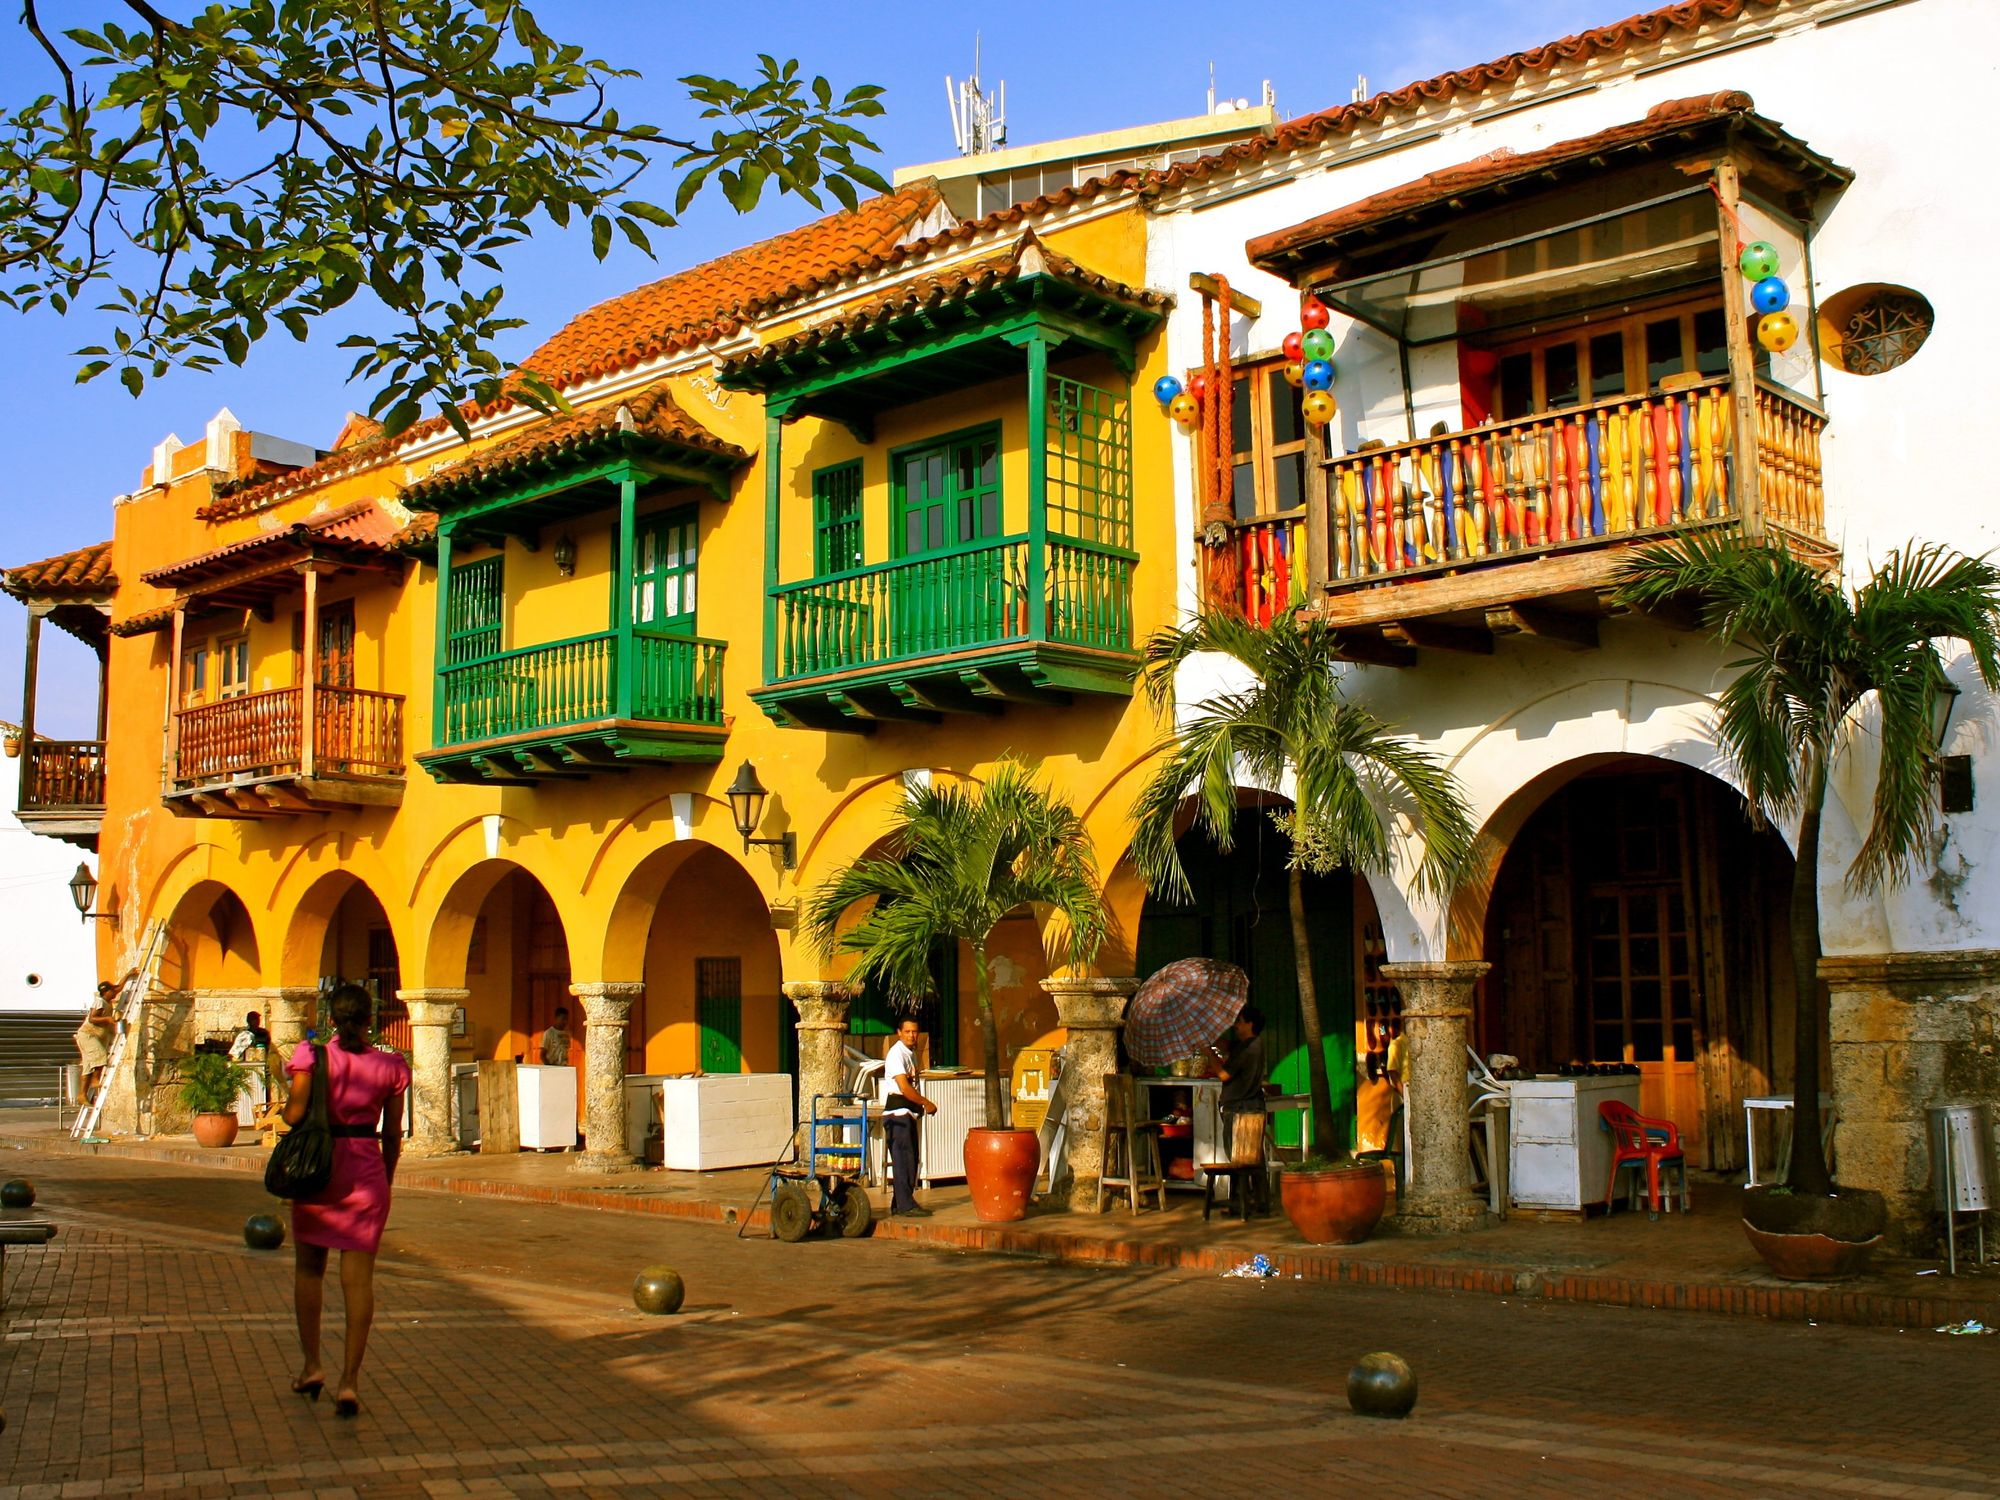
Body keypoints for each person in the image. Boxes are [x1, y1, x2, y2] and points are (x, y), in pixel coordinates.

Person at [283, 982, 410, 1418]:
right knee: (358, 1281)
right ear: (369, 1020)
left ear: (331, 1018)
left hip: (319, 1170)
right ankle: (350, 1382)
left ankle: (312, 1365)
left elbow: (295, 1114)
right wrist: (385, 1179)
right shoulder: (391, 1066)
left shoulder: (312, 1057)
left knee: (309, 1269)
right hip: (367, 1172)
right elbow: (392, 1133)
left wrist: (287, 1106)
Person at [1209, 1004, 1270, 1217]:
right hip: (1249, 1105)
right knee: (1254, 1158)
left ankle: (1240, 1202)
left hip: (1240, 1108)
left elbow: (1224, 1074)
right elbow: (1228, 1046)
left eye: (1239, 1021)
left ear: (1250, 1024)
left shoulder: (1250, 1048)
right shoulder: (1250, 1044)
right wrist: (1210, 1039)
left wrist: (1209, 1054)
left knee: (1238, 1158)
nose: (1236, 1025)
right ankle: (1259, 1201)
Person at [880, 1018, 935, 1216]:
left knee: (911, 1159)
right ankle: (906, 1205)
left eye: (915, 1031)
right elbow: (904, 1088)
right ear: (899, 1032)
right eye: (908, 1031)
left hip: (908, 1113)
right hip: (897, 1114)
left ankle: (900, 1202)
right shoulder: (896, 1054)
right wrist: (925, 1103)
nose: (912, 1035)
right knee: (904, 1159)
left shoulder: (910, 1054)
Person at [72, 981, 119, 1103]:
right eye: (112, 990)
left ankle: (82, 1095)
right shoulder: (100, 1002)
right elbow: (92, 1018)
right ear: (106, 992)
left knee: (88, 1066)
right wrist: (108, 1019)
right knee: (101, 1054)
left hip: (92, 1037)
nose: (114, 992)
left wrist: (129, 975)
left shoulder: (107, 1001)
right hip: (88, 1035)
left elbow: (118, 988)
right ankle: (95, 1079)